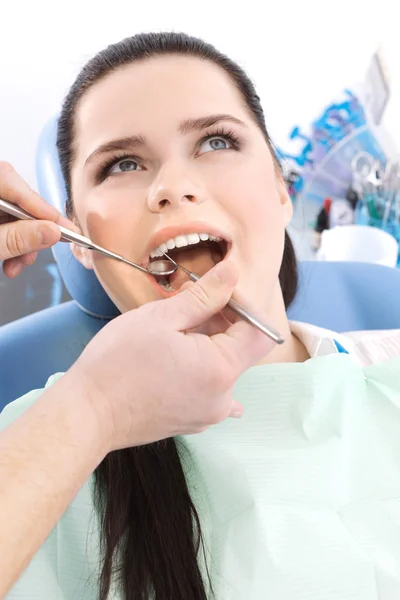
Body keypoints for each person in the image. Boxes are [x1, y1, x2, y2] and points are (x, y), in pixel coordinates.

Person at [1, 31, 400, 600]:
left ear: (282, 188)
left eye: (215, 142)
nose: (172, 187)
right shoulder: (36, 438)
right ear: (79, 241)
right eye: (122, 164)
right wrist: (93, 411)